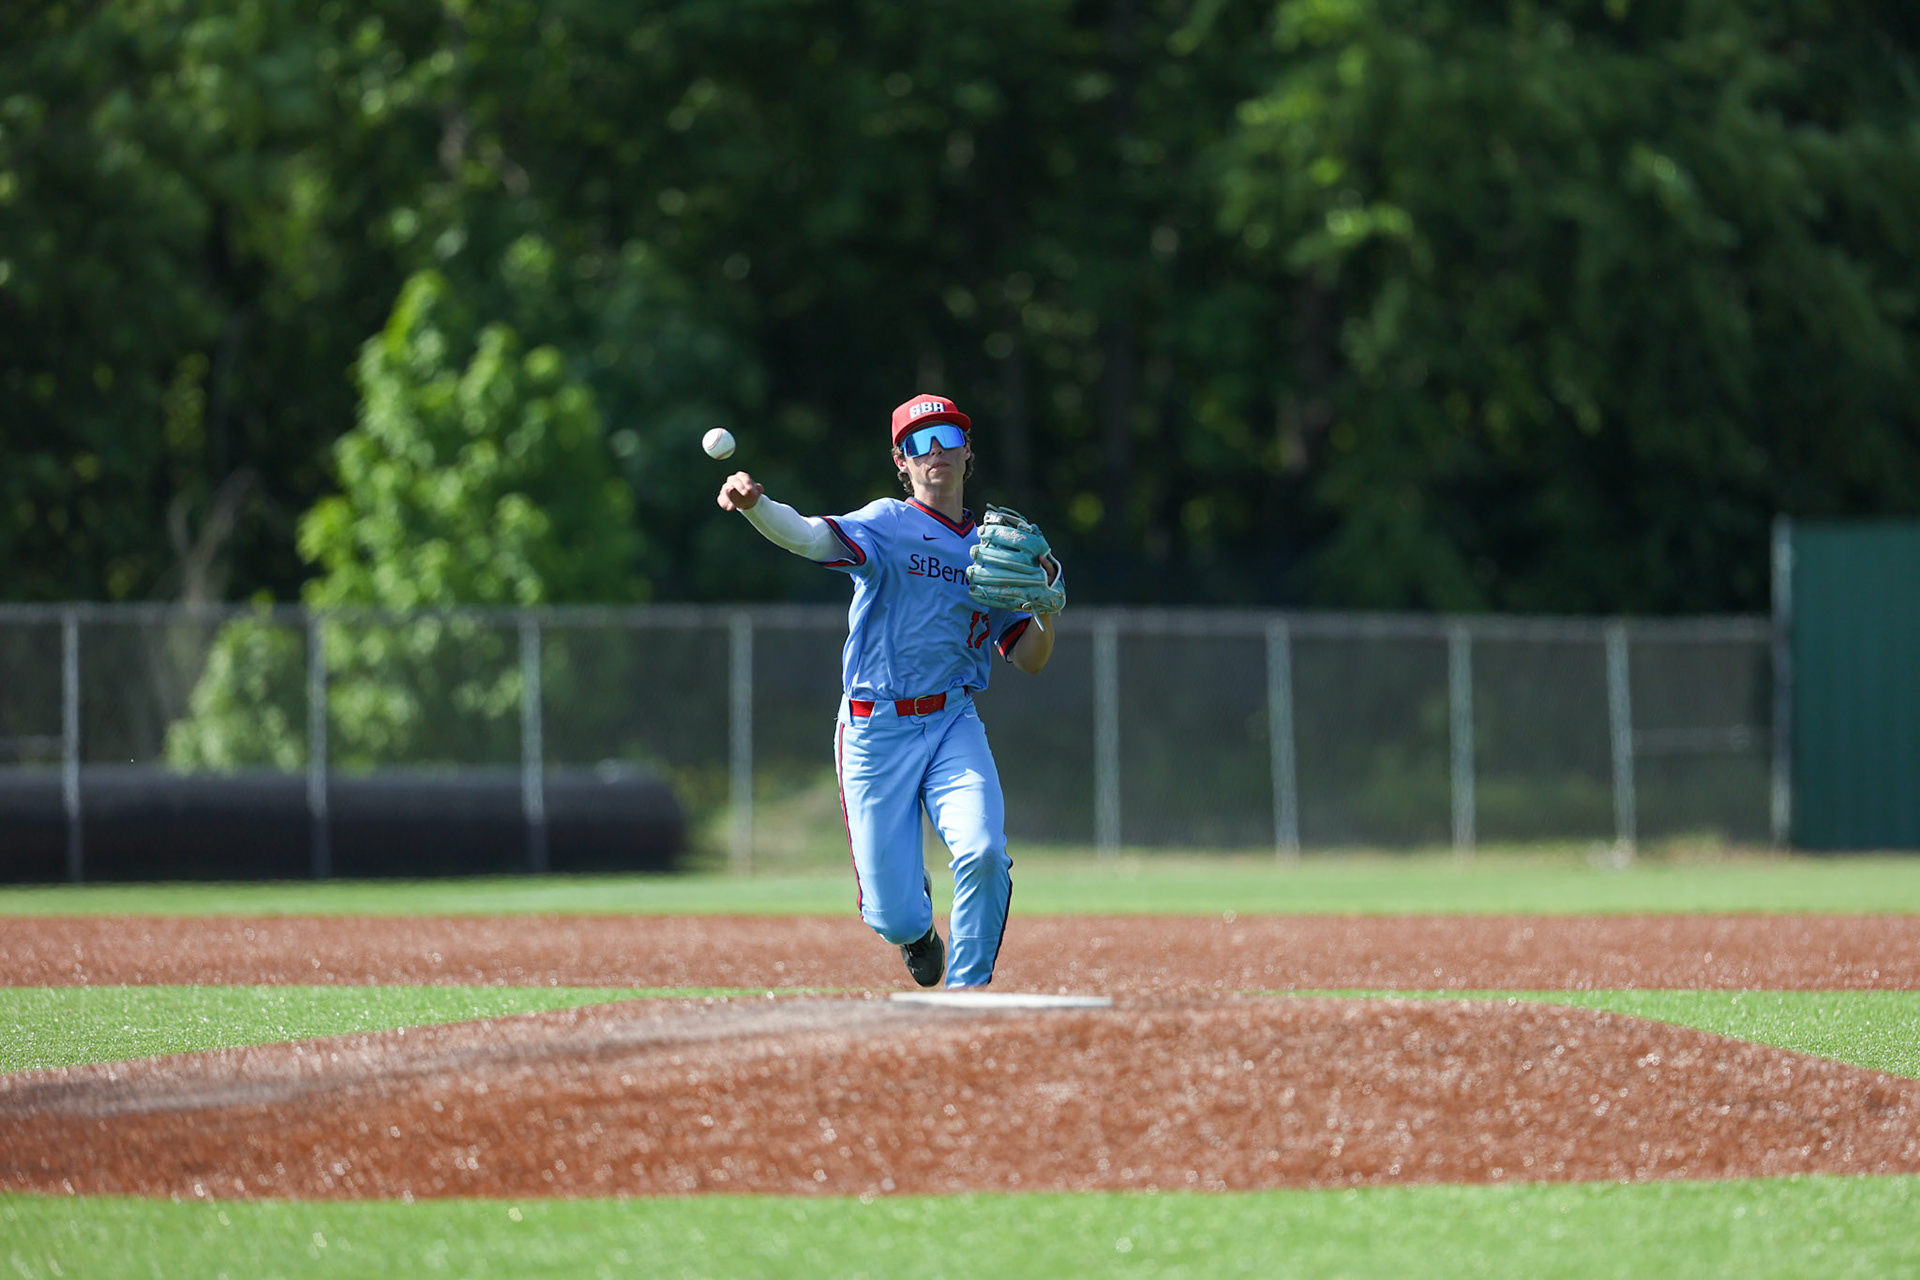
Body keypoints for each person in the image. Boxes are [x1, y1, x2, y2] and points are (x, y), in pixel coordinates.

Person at [715, 393, 1062, 988]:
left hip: (952, 721)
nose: (936, 452)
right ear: (901, 461)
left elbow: (1029, 658)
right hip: (874, 728)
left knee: (982, 850)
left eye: (948, 438)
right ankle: (916, 932)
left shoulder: (992, 551)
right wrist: (757, 507)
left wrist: (1046, 610)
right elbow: (809, 537)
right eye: (919, 443)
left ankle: (968, 996)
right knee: (893, 916)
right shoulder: (887, 524)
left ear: (968, 451)